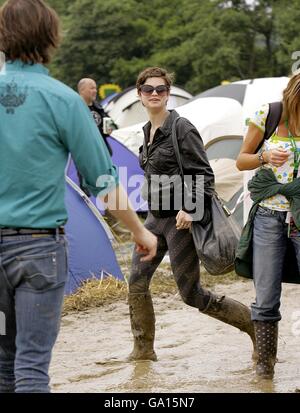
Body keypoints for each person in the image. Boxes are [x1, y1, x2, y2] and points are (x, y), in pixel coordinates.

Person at [0, 0, 156, 393]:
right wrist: (139, 232)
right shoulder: (64, 100)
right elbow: (103, 179)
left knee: (2, 362)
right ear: (52, 37)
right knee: (31, 365)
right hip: (38, 253)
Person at [127, 66, 256, 363]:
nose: (155, 94)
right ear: (140, 95)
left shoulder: (182, 128)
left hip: (180, 222)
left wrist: (190, 209)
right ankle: (143, 349)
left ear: (168, 94)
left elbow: (205, 175)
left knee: (191, 293)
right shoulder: (146, 132)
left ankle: (252, 323)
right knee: (136, 281)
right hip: (153, 219)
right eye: (149, 90)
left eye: (161, 89)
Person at [236, 74, 300, 379]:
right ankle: (264, 372)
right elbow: (241, 160)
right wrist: (264, 156)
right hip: (268, 217)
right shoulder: (269, 114)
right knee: (266, 295)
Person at [77, 77, 129, 235]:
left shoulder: (97, 107)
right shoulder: (76, 108)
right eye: (91, 88)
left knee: (108, 185)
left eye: (95, 88)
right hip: (85, 155)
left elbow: (110, 123)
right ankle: (85, 226)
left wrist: (111, 128)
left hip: (101, 153)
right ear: (82, 90)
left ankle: (113, 225)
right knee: (84, 190)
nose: (94, 91)